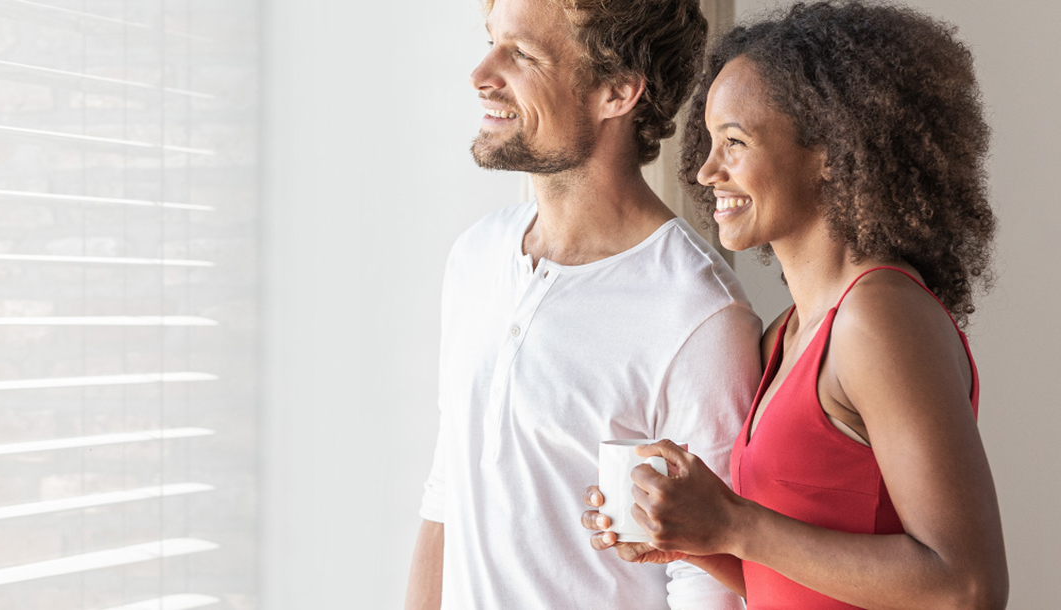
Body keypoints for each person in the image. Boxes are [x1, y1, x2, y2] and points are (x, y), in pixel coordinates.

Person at [581, 2, 1009, 608]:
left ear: (830, 150)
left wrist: (733, 524)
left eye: (734, 141)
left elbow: (967, 586)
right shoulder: (785, 334)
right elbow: (795, 571)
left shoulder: (878, 316)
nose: (706, 170)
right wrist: (695, 540)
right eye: (708, 141)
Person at [404, 0, 763, 608]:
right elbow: (448, 497)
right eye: (491, 41)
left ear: (618, 91)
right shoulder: (476, 257)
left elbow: (709, 580)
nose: (481, 73)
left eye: (520, 53)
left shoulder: (698, 315)